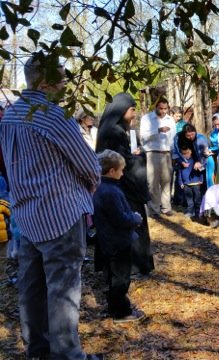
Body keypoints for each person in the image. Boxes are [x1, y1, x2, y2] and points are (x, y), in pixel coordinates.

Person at [0, 52, 102, 359]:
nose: (64, 82)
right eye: (60, 76)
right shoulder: (54, 115)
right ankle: (67, 356)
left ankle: (39, 350)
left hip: (26, 215)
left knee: (32, 286)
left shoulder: (12, 114)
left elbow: (7, 165)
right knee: (62, 290)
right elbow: (90, 166)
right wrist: (85, 188)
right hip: (59, 215)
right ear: (45, 81)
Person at [96, 93, 155, 277]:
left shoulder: (123, 129)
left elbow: (127, 156)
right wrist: (138, 157)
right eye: (132, 109)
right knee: (126, 225)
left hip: (126, 186)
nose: (134, 113)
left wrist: (138, 155)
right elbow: (118, 161)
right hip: (121, 187)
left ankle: (136, 265)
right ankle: (131, 267)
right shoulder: (113, 132)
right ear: (122, 110)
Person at [93, 150, 145, 323]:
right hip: (118, 241)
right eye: (121, 170)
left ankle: (115, 306)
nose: (123, 173)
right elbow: (120, 218)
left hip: (108, 241)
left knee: (113, 276)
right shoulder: (110, 192)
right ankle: (121, 312)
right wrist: (135, 218)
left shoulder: (101, 187)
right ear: (112, 171)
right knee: (121, 278)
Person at [140, 98, 175, 217]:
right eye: (161, 108)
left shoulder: (170, 119)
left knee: (166, 180)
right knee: (152, 182)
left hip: (166, 152)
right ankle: (154, 208)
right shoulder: (147, 119)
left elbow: (173, 137)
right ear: (156, 107)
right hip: (152, 152)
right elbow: (143, 136)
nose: (164, 111)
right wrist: (158, 130)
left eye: (166, 108)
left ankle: (166, 207)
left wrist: (172, 153)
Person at [172, 123, 209, 209]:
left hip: (201, 163)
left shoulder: (201, 139)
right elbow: (175, 151)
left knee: (201, 185)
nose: (191, 137)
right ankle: (184, 203)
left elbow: (206, 154)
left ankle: (202, 206)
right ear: (184, 135)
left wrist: (200, 162)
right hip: (185, 163)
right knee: (184, 181)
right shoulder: (178, 138)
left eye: (193, 134)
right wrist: (181, 161)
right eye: (188, 135)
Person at [177, 146, 204, 218]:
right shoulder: (181, 162)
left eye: (187, 153)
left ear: (191, 152)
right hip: (186, 184)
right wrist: (181, 182)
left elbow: (201, 170)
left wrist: (201, 180)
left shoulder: (196, 160)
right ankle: (190, 212)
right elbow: (179, 173)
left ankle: (198, 213)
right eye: (183, 154)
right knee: (189, 200)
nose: (185, 155)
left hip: (196, 183)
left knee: (197, 199)